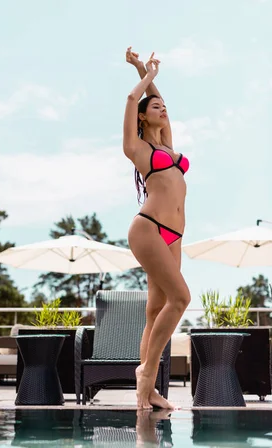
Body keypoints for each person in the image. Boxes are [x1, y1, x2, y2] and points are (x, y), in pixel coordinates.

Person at [123, 47, 191, 409]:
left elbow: (152, 98)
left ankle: (147, 392)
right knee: (181, 299)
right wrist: (142, 75)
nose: (161, 108)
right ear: (141, 118)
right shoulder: (137, 148)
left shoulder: (166, 144)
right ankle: (146, 373)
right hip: (148, 228)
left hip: (174, 234)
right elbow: (134, 97)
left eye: (162, 106)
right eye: (155, 108)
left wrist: (146, 74)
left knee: (155, 310)